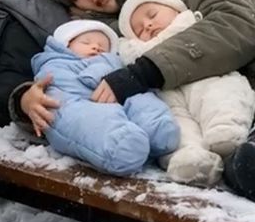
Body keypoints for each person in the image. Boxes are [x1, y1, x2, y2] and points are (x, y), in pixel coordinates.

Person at [14, 0, 255, 195]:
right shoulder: (98, 31)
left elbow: (238, 22)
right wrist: (25, 100)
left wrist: (145, 71)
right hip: (182, 130)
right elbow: (70, 75)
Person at [118, 0, 255, 185]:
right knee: (177, 124)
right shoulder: (136, 55)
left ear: (177, 9)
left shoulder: (193, 26)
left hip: (207, 77)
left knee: (222, 94)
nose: (147, 25)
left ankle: (225, 131)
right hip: (170, 96)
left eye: (152, 14)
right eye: (139, 31)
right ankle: (192, 161)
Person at [31, 20, 179, 176]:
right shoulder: (54, 63)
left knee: (139, 97)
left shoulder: (114, 63)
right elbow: (80, 79)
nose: (96, 47)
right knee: (86, 119)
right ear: (65, 45)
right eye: (86, 42)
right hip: (73, 102)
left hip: (111, 94)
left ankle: (157, 128)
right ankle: (119, 145)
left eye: (103, 46)